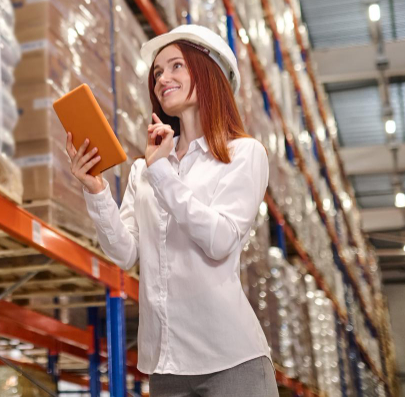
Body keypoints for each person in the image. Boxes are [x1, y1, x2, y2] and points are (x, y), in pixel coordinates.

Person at [66, 25, 276, 397]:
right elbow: (126, 252)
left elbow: (220, 240)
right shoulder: (144, 170)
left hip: (231, 361)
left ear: (209, 72)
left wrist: (161, 171)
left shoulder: (244, 154)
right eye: (158, 72)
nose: (163, 78)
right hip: (165, 367)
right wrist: (96, 189)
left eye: (176, 66)